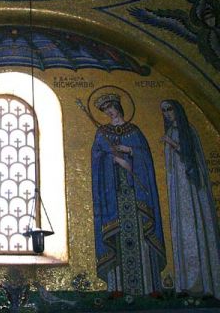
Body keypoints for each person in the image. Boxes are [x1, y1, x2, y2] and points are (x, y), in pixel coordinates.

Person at [91, 93, 166, 297]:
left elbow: (145, 157)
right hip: (113, 195)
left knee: (142, 235)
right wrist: (112, 160)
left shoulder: (134, 131)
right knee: (116, 234)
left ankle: (150, 287)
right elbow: (96, 158)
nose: (109, 112)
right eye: (106, 110)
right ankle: (117, 287)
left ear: (118, 107)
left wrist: (129, 152)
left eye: (111, 107)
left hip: (135, 196)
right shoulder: (102, 132)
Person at [160, 100, 220, 299]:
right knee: (181, 230)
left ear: (177, 110)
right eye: (164, 111)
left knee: (196, 226)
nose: (167, 113)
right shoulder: (170, 131)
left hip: (190, 186)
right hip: (177, 189)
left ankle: (205, 285)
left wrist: (171, 143)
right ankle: (185, 284)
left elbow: (190, 155)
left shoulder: (188, 130)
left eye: (169, 109)